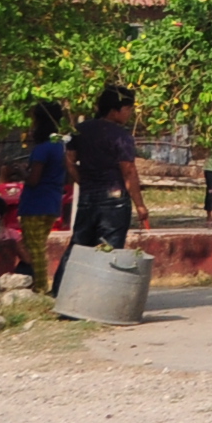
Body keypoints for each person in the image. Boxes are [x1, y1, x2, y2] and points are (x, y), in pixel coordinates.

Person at [59, 86, 148, 290]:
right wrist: (140, 205)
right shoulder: (121, 136)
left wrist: (83, 181)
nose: (129, 114)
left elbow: (69, 161)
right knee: (109, 248)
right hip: (114, 199)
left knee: (79, 245)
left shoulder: (80, 130)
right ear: (115, 111)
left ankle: (62, 290)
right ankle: (101, 293)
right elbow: (128, 172)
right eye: (128, 109)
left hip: (88, 196)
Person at [17, 102, 70, 292]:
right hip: (52, 201)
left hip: (35, 203)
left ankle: (40, 287)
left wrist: (22, 171)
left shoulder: (42, 149)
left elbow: (33, 179)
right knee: (33, 244)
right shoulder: (59, 146)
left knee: (35, 248)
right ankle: (35, 284)